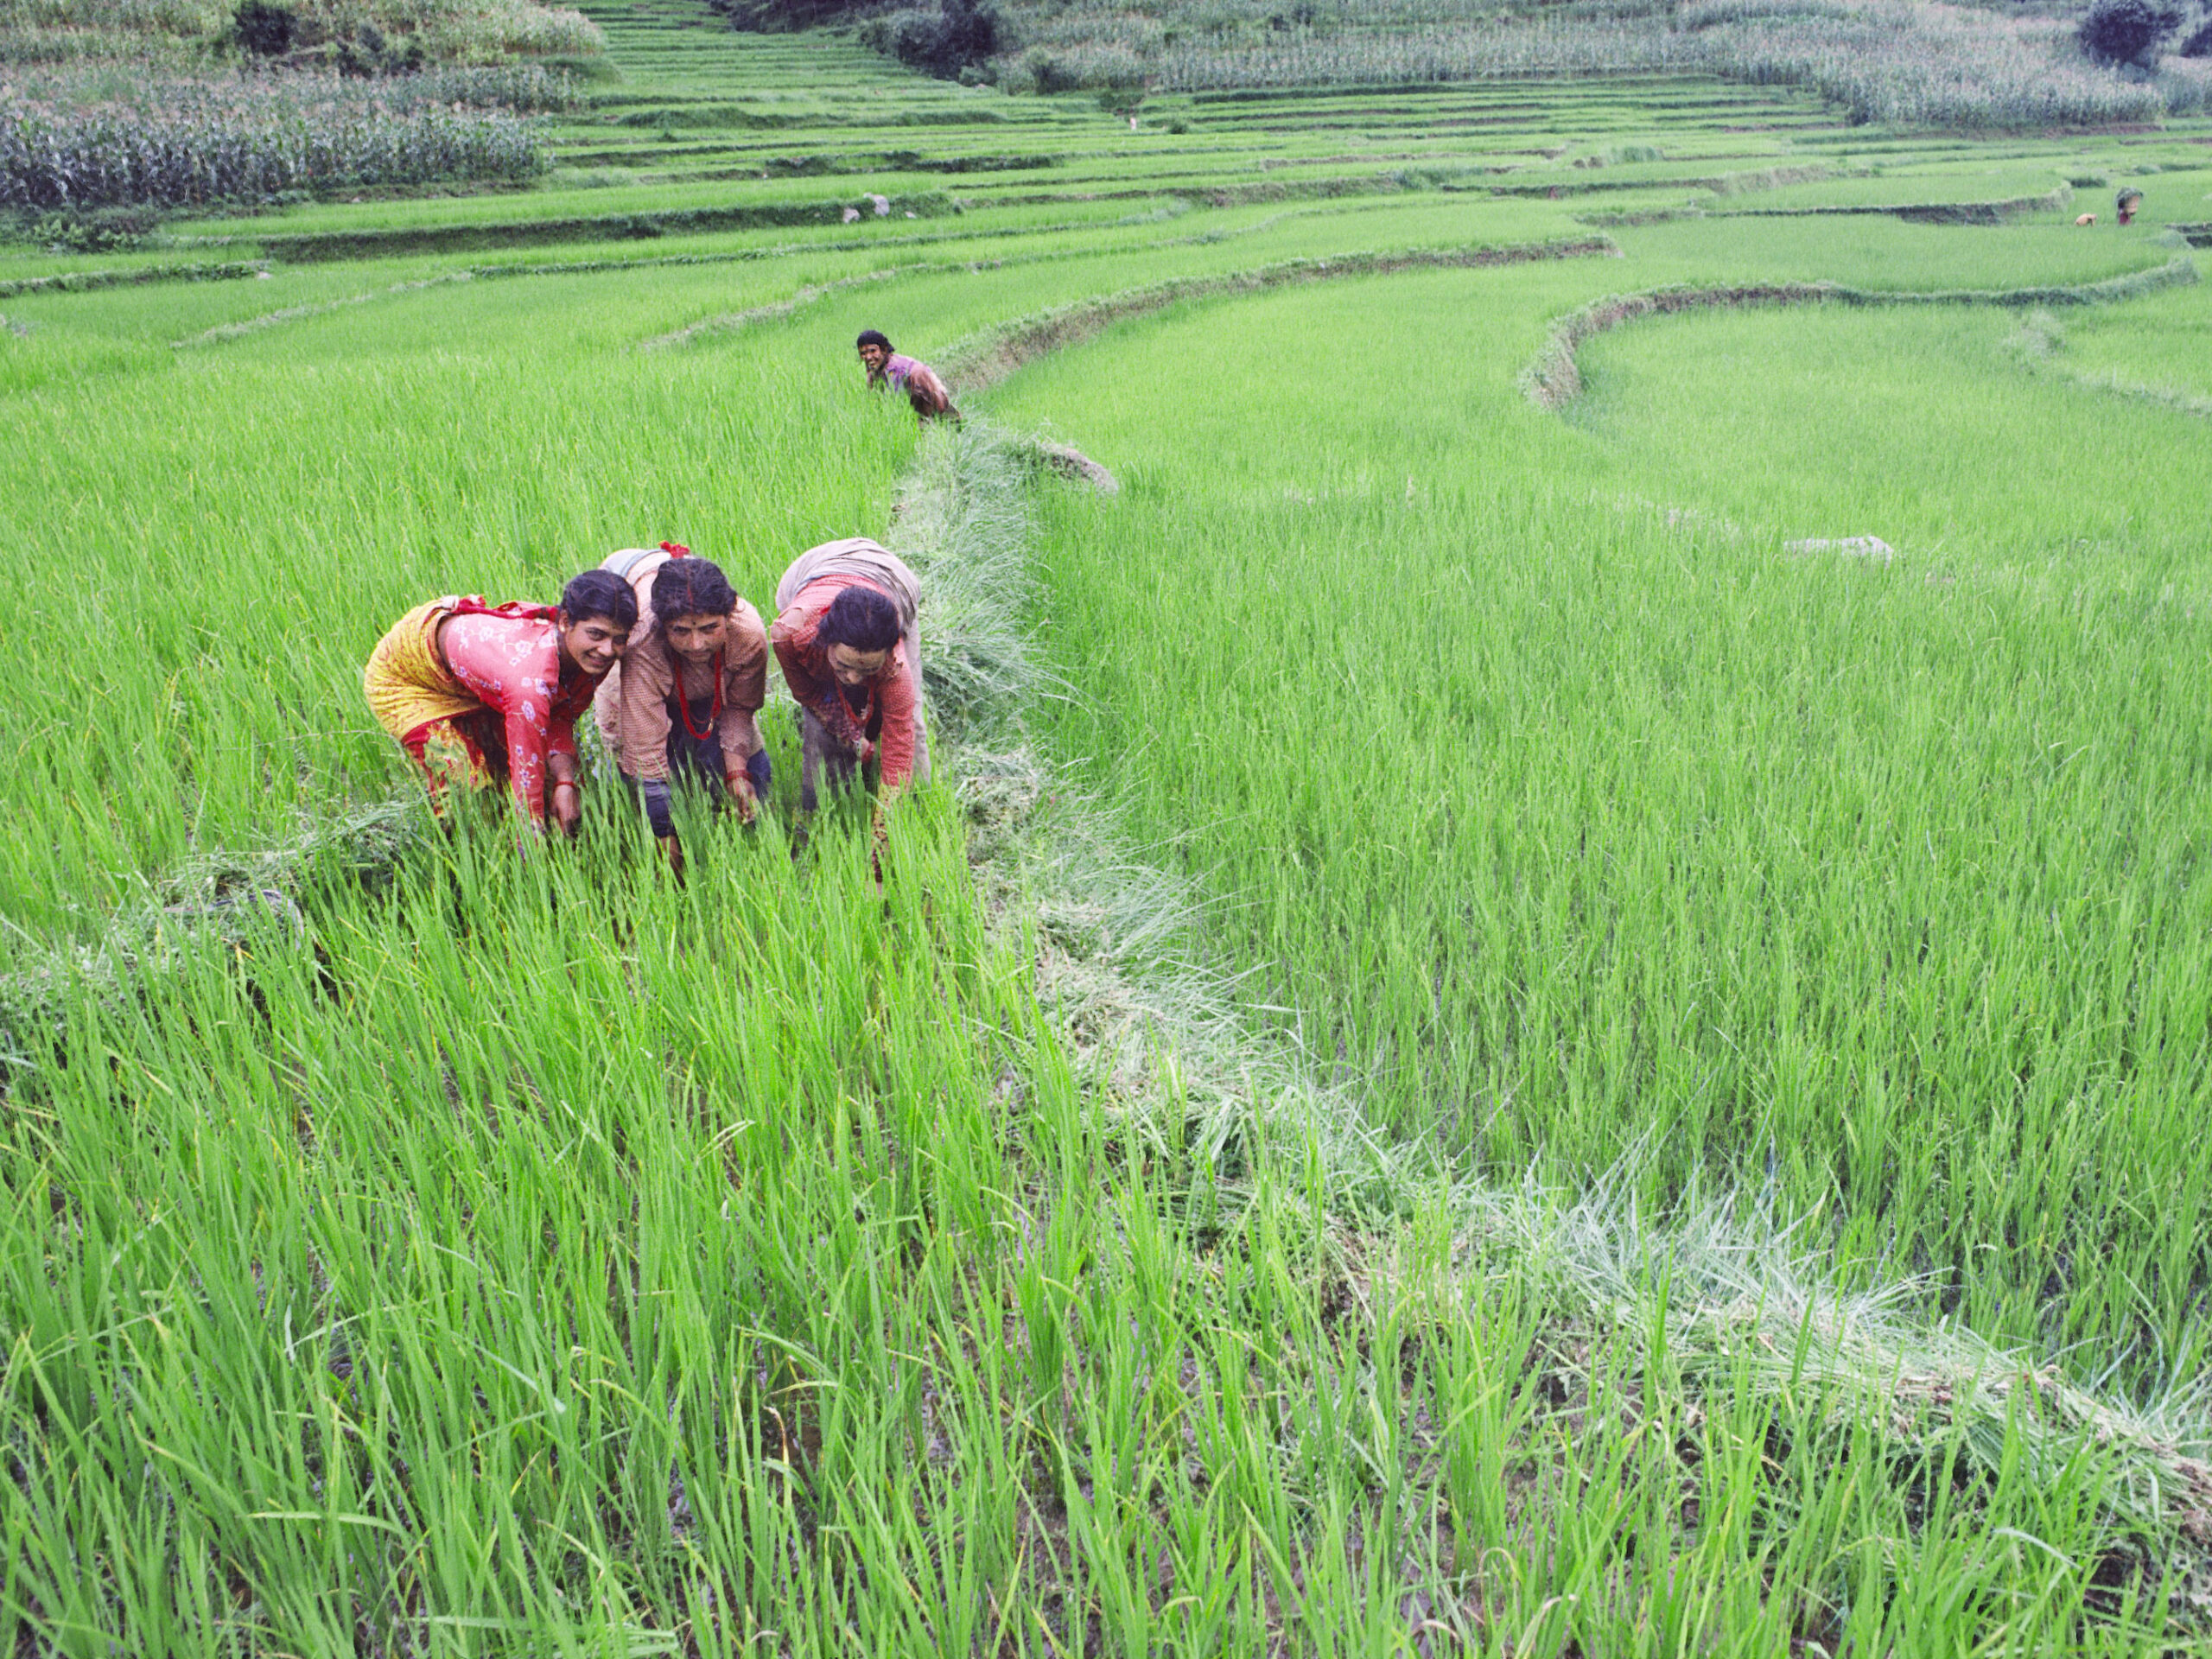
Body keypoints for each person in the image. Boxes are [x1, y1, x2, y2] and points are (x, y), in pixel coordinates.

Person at [363, 570, 635, 834]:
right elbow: (527, 778)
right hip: (407, 678)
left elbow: (561, 717)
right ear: (564, 622)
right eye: (596, 635)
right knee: (465, 789)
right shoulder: (529, 682)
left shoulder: (589, 658)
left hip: (475, 680)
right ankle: (460, 860)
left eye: (619, 639)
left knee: (544, 780)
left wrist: (566, 782)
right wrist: (530, 846)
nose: (607, 650)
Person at [593, 545, 771, 871]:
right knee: (630, 771)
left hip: (710, 673)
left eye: (709, 629)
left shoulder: (747, 635)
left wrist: (736, 772)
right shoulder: (642, 641)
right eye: (681, 631)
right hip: (641, 656)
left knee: (755, 773)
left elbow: (740, 708)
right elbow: (645, 750)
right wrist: (663, 833)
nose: (696, 644)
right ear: (663, 625)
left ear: (727, 616)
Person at [771, 537, 929, 819]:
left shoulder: (895, 666)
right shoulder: (792, 635)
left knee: (909, 721)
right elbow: (809, 695)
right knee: (819, 729)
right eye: (843, 666)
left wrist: (885, 834)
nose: (854, 678)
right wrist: (846, 730)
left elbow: (899, 753)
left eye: (867, 669)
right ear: (826, 642)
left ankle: (917, 810)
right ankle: (819, 817)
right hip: (813, 570)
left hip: (891, 578)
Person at [855, 328, 959, 423]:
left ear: (884, 350)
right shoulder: (874, 370)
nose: (868, 357)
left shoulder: (899, 370)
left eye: (873, 351)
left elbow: (936, 400)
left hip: (924, 390)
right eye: (863, 353)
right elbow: (876, 404)